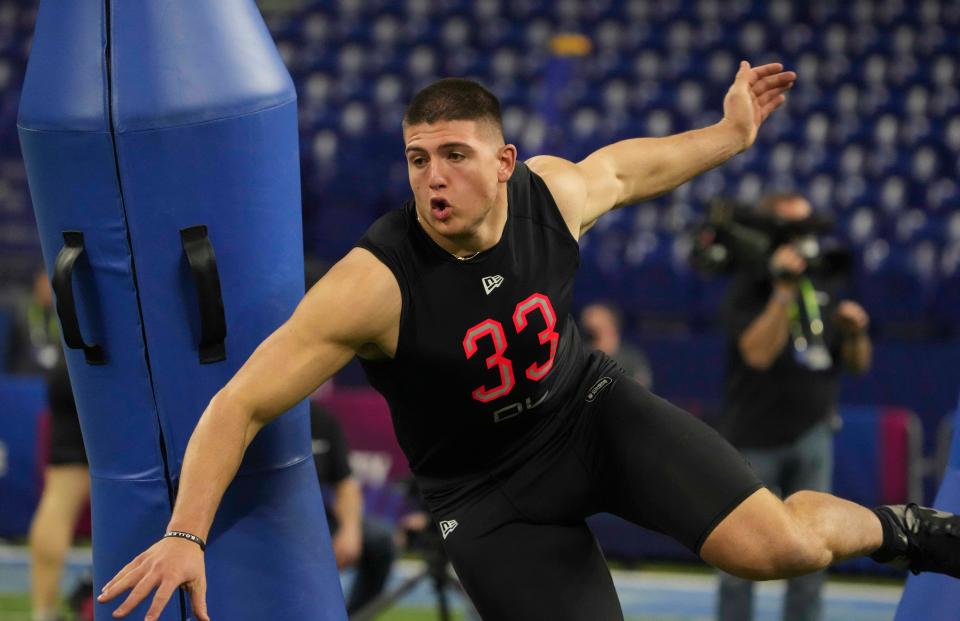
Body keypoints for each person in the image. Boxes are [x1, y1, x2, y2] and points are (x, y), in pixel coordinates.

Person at [100, 65, 960, 621]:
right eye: (416, 159)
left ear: (505, 159)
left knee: (774, 546)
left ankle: (913, 529)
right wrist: (187, 530)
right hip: (485, 494)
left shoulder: (549, 193)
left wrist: (731, 136)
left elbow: (630, 168)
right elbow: (241, 400)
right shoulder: (374, 282)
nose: (434, 178)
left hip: (589, 413)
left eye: (455, 155)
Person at [715, 192, 872, 621]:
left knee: (811, 554)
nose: (803, 240)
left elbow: (857, 365)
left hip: (813, 432)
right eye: (792, 230)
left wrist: (856, 333)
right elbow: (758, 354)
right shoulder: (750, 282)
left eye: (808, 229)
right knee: (741, 555)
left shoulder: (826, 280)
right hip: (753, 437)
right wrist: (783, 290)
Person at [9, 270, 92, 621]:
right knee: (134, 491)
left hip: (69, 364)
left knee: (59, 498)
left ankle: (43, 612)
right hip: (105, 370)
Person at [309, 401, 396, 614]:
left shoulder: (321, 419)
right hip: (272, 523)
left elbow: (345, 482)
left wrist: (350, 529)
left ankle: (355, 615)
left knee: (380, 540)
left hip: (317, 519)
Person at [580, 301, 652, 388]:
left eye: (596, 330)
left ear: (611, 328)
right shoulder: (579, 358)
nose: (590, 336)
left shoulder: (632, 360)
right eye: (588, 332)